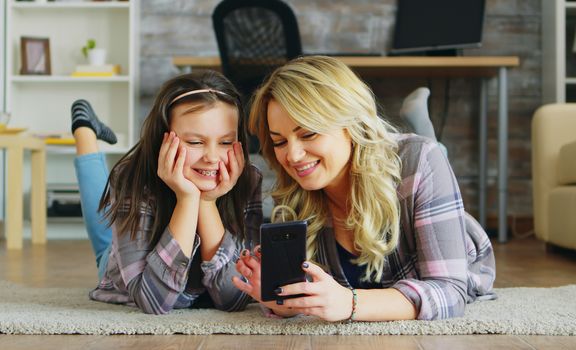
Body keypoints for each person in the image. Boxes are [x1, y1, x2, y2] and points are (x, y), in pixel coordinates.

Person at [232, 56, 496, 322]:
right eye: (279, 142)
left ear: (351, 124)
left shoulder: (420, 162)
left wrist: (350, 303)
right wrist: (285, 303)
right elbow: (314, 295)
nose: (293, 155)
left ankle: (423, 128)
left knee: (429, 153)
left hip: (445, 232)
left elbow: (450, 292)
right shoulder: (295, 191)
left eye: (308, 134)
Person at [71, 71, 263, 314]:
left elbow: (235, 298)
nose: (212, 158)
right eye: (195, 142)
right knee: (104, 242)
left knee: (107, 234)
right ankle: (84, 129)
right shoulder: (135, 179)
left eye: (225, 142)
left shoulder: (248, 179)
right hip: (123, 264)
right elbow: (153, 301)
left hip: (154, 250)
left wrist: (207, 203)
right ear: (164, 139)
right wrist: (187, 199)